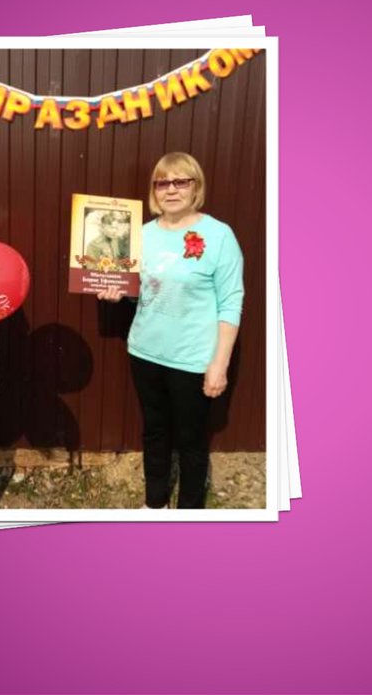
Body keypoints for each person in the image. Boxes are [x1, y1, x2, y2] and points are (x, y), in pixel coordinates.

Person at [97, 152, 244, 509]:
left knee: (192, 441)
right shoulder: (140, 235)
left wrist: (219, 363)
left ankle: (190, 514)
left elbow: (231, 301)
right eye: (163, 183)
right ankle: (155, 504)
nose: (171, 190)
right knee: (155, 431)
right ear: (154, 191)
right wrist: (117, 292)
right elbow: (143, 292)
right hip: (145, 352)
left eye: (181, 181)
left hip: (192, 359)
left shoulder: (219, 235)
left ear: (196, 187)